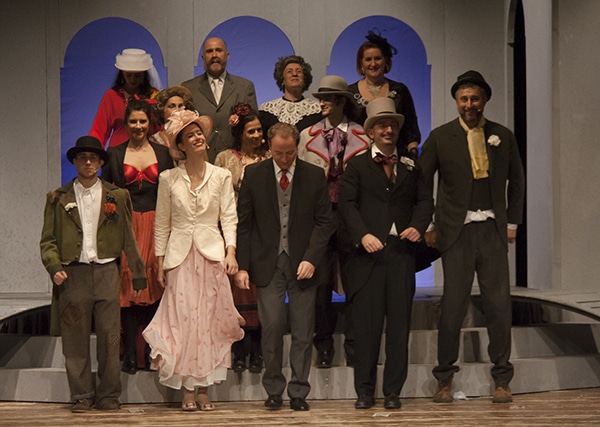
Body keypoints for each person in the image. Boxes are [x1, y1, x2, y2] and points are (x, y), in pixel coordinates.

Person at [419, 70, 525, 404]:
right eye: (463, 99)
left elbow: (517, 181)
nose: (469, 104)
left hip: (493, 229)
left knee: (498, 305)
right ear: (456, 101)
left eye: (474, 98)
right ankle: (444, 379)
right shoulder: (440, 136)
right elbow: (423, 183)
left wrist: (512, 223)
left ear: (484, 101)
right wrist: (429, 225)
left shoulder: (502, 135)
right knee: (452, 306)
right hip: (456, 231)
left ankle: (502, 379)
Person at [142, 109, 244, 412]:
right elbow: (162, 223)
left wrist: (231, 251)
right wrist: (160, 260)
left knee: (208, 322)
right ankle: (187, 389)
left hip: (211, 255)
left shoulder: (221, 176)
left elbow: (229, 217)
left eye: (199, 132)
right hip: (180, 257)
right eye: (190, 135)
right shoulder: (168, 178)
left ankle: (204, 389)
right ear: (181, 145)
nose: (197, 137)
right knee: (183, 322)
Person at [338, 97, 433, 410]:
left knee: (398, 328)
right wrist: (362, 235)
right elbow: (347, 205)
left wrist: (418, 226)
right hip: (368, 257)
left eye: (392, 125)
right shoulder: (356, 165)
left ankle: (393, 392)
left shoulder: (410, 166)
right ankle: (365, 391)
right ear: (371, 132)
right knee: (366, 329)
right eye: (382, 125)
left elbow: (425, 201)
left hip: (401, 254)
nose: (388, 130)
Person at [40, 136, 146, 412]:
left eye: (93, 158)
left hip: (107, 273)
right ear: (75, 162)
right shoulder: (58, 198)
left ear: (100, 162)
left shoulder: (117, 196)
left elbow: (128, 237)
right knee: (74, 338)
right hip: (73, 276)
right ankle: (81, 395)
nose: (88, 162)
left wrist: (138, 273)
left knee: (110, 337)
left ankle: (109, 395)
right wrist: (54, 266)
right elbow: (48, 240)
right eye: (82, 158)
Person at [235, 123, 335, 411]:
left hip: (303, 263)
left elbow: (325, 222)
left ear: (297, 147)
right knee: (272, 327)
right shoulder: (253, 174)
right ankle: (274, 389)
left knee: (303, 331)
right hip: (267, 263)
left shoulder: (314, 175)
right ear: (269, 147)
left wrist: (311, 258)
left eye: (290, 153)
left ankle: (299, 391)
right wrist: (243, 266)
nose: (284, 159)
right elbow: (245, 224)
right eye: (279, 153)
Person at [297, 75, 370, 369]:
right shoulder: (307, 135)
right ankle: (324, 345)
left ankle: (354, 345)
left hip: (351, 216)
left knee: (354, 281)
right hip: (322, 215)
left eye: (328, 98)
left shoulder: (363, 135)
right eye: (321, 98)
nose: (323, 103)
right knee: (321, 283)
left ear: (341, 101)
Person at [101, 98, 173, 374]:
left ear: (150, 123)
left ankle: (151, 351)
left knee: (156, 285)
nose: (138, 126)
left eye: (143, 121)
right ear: (126, 123)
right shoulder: (114, 153)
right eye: (133, 121)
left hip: (157, 224)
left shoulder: (163, 153)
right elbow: (105, 191)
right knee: (129, 288)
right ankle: (130, 352)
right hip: (127, 226)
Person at [215, 103, 271, 374]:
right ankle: (238, 351)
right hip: (232, 231)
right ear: (240, 133)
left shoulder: (269, 158)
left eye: (259, 130)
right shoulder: (224, 158)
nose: (257, 135)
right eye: (251, 131)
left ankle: (257, 351)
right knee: (234, 291)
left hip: (262, 232)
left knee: (258, 289)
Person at [182, 37, 258, 163]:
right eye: (209, 51)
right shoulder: (188, 88)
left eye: (218, 50)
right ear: (203, 57)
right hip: (201, 161)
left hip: (237, 161)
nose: (214, 55)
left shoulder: (244, 87)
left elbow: (253, 125)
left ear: (227, 55)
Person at [348, 31, 421, 159]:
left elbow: (411, 128)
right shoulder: (349, 93)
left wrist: (413, 156)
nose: (373, 64)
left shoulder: (400, 90)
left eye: (377, 58)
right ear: (361, 63)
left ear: (386, 60)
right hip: (359, 159)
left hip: (396, 157)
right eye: (368, 59)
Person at [90, 48, 161, 148]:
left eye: (137, 76)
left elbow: (161, 129)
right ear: (122, 74)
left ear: (144, 76)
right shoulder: (111, 96)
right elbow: (99, 130)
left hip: (148, 151)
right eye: (128, 75)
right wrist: (94, 152)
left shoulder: (154, 96)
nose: (132, 79)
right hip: (117, 152)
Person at [259, 55, 322, 135]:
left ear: (304, 80)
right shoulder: (266, 111)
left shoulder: (318, 110)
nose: (294, 74)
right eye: (289, 71)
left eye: (299, 71)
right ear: (282, 80)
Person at [149, 85, 196, 163]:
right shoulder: (155, 139)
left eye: (180, 106)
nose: (177, 110)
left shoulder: (193, 135)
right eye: (172, 106)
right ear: (162, 110)